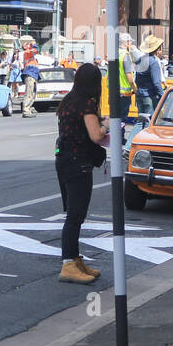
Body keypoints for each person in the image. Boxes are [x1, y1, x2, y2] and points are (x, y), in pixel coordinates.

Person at [53, 62, 107, 284]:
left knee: (74, 214)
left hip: (64, 160)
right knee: (75, 216)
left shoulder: (68, 101)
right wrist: (107, 127)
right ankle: (68, 264)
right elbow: (95, 136)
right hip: (78, 163)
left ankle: (75, 259)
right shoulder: (86, 104)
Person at [133, 35, 165, 122]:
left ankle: (133, 136)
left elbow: (136, 79)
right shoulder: (153, 63)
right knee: (149, 122)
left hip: (140, 94)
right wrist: (163, 96)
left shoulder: (140, 60)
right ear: (157, 49)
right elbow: (156, 83)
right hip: (149, 95)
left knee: (140, 122)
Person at [116, 33, 137, 123]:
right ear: (127, 43)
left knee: (115, 118)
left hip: (113, 92)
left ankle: (115, 136)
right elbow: (129, 77)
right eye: (130, 42)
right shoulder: (125, 55)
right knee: (122, 119)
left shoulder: (115, 54)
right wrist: (135, 89)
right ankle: (120, 136)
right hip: (123, 94)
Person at [20, 41, 41, 116]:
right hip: (30, 74)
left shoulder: (31, 55)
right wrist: (33, 43)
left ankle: (29, 108)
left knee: (33, 93)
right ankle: (26, 110)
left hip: (33, 75)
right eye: (27, 44)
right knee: (29, 92)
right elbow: (35, 49)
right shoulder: (27, 52)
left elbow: (36, 51)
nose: (29, 45)